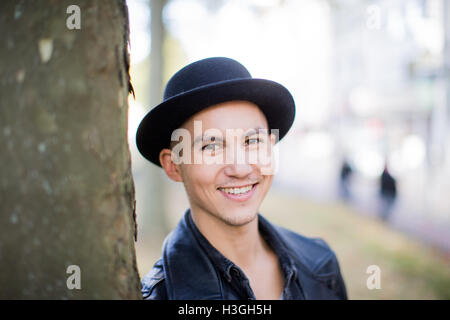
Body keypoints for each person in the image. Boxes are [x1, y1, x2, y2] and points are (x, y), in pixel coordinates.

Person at [136, 57, 347, 300]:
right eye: (211, 146)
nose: (240, 168)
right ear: (173, 165)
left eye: (252, 142)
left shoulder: (321, 266)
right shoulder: (159, 297)